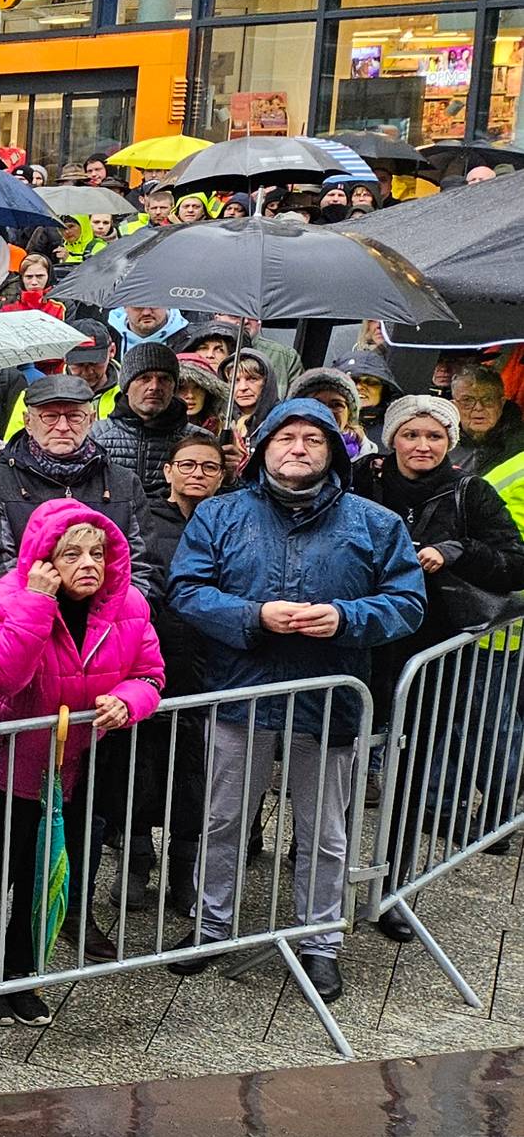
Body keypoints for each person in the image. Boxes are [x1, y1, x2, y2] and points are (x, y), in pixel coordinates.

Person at [168, 400, 426, 1002]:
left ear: (334, 451)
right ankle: (210, 928)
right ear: (262, 448)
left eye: (314, 439)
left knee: (326, 828)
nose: (299, 448)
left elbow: (407, 603)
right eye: (286, 437)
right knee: (225, 818)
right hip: (241, 692)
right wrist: (252, 616)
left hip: (330, 697)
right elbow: (187, 589)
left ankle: (320, 942)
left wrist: (344, 617)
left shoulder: (376, 523)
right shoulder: (220, 514)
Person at [0, 501, 163, 1020]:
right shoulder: (2, 599)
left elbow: (150, 675)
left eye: (97, 552)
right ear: (43, 557)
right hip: (5, 766)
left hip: (77, 768)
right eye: (71, 553)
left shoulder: (129, 605)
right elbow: (0, 674)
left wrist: (128, 700)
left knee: (50, 869)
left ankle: (23, 973)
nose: (88, 564)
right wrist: (36, 601)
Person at [352, 395, 524, 938]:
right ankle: (314, 864)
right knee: (333, 760)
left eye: (433, 437)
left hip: (430, 654)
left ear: (449, 443)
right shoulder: (360, 479)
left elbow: (515, 564)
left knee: (410, 771)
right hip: (357, 644)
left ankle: (394, 887)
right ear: (392, 437)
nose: (421, 446)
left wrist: (457, 551)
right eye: (411, 434)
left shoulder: (471, 492)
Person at [0, 374, 156, 597]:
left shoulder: (122, 482)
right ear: (28, 422)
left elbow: (144, 568)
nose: (63, 427)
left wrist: (114, 616)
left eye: (74, 416)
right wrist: (41, 611)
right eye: (50, 417)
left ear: (91, 419)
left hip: (112, 621)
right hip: (31, 619)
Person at [90, 344, 193, 502]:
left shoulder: (196, 440)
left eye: (164, 379)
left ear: (174, 387)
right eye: (144, 378)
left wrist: (230, 478)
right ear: (126, 386)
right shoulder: (95, 436)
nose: (154, 387)